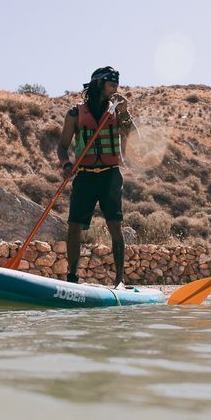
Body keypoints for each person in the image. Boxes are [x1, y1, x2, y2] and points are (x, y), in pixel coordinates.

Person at [57, 66, 135, 285]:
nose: (115, 90)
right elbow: (62, 147)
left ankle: (119, 281)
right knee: (74, 226)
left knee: (115, 227)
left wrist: (125, 112)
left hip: (110, 176)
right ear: (100, 84)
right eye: (112, 85)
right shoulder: (75, 113)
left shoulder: (117, 110)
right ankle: (72, 277)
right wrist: (65, 164)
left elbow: (132, 135)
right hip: (85, 176)